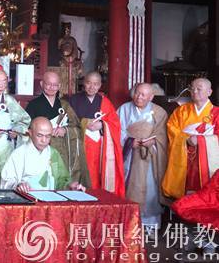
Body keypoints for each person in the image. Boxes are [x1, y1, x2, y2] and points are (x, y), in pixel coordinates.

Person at [25, 71, 90, 186]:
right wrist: (45, 132)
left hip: (65, 150)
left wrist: (65, 130)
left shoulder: (65, 105)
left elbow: (77, 128)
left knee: (64, 180)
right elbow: (27, 131)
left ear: (59, 86)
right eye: (48, 84)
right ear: (42, 84)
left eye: (55, 85)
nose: (52, 87)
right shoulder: (33, 105)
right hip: (44, 150)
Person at [117, 83, 168, 228]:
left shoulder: (159, 112)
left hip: (150, 156)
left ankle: (150, 225)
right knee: (128, 186)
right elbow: (116, 130)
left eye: (143, 95)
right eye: (137, 93)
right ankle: (130, 224)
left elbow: (163, 135)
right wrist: (128, 142)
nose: (139, 97)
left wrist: (153, 141)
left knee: (150, 188)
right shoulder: (124, 109)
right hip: (129, 155)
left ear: (151, 97)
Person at [69, 72, 125, 196]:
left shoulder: (105, 102)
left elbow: (115, 124)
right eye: (88, 83)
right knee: (81, 175)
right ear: (84, 83)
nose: (91, 87)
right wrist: (84, 123)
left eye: (95, 84)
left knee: (96, 176)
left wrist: (102, 124)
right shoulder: (73, 100)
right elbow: (68, 122)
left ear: (100, 85)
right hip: (80, 145)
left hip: (99, 148)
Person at [162, 78, 217, 200]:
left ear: (209, 92)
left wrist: (201, 140)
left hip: (207, 161)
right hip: (184, 158)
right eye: (192, 89)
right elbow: (172, 129)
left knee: (206, 196)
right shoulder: (181, 111)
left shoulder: (217, 114)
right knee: (184, 194)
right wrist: (186, 138)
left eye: (199, 89)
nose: (194, 91)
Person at [1, 117, 86, 192]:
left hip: (50, 200)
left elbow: (62, 180)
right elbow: (6, 182)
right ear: (30, 132)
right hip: (27, 201)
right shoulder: (19, 154)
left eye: (48, 136)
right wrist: (18, 186)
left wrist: (70, 186)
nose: (44, 140)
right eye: (39, 135)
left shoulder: (53, 153)